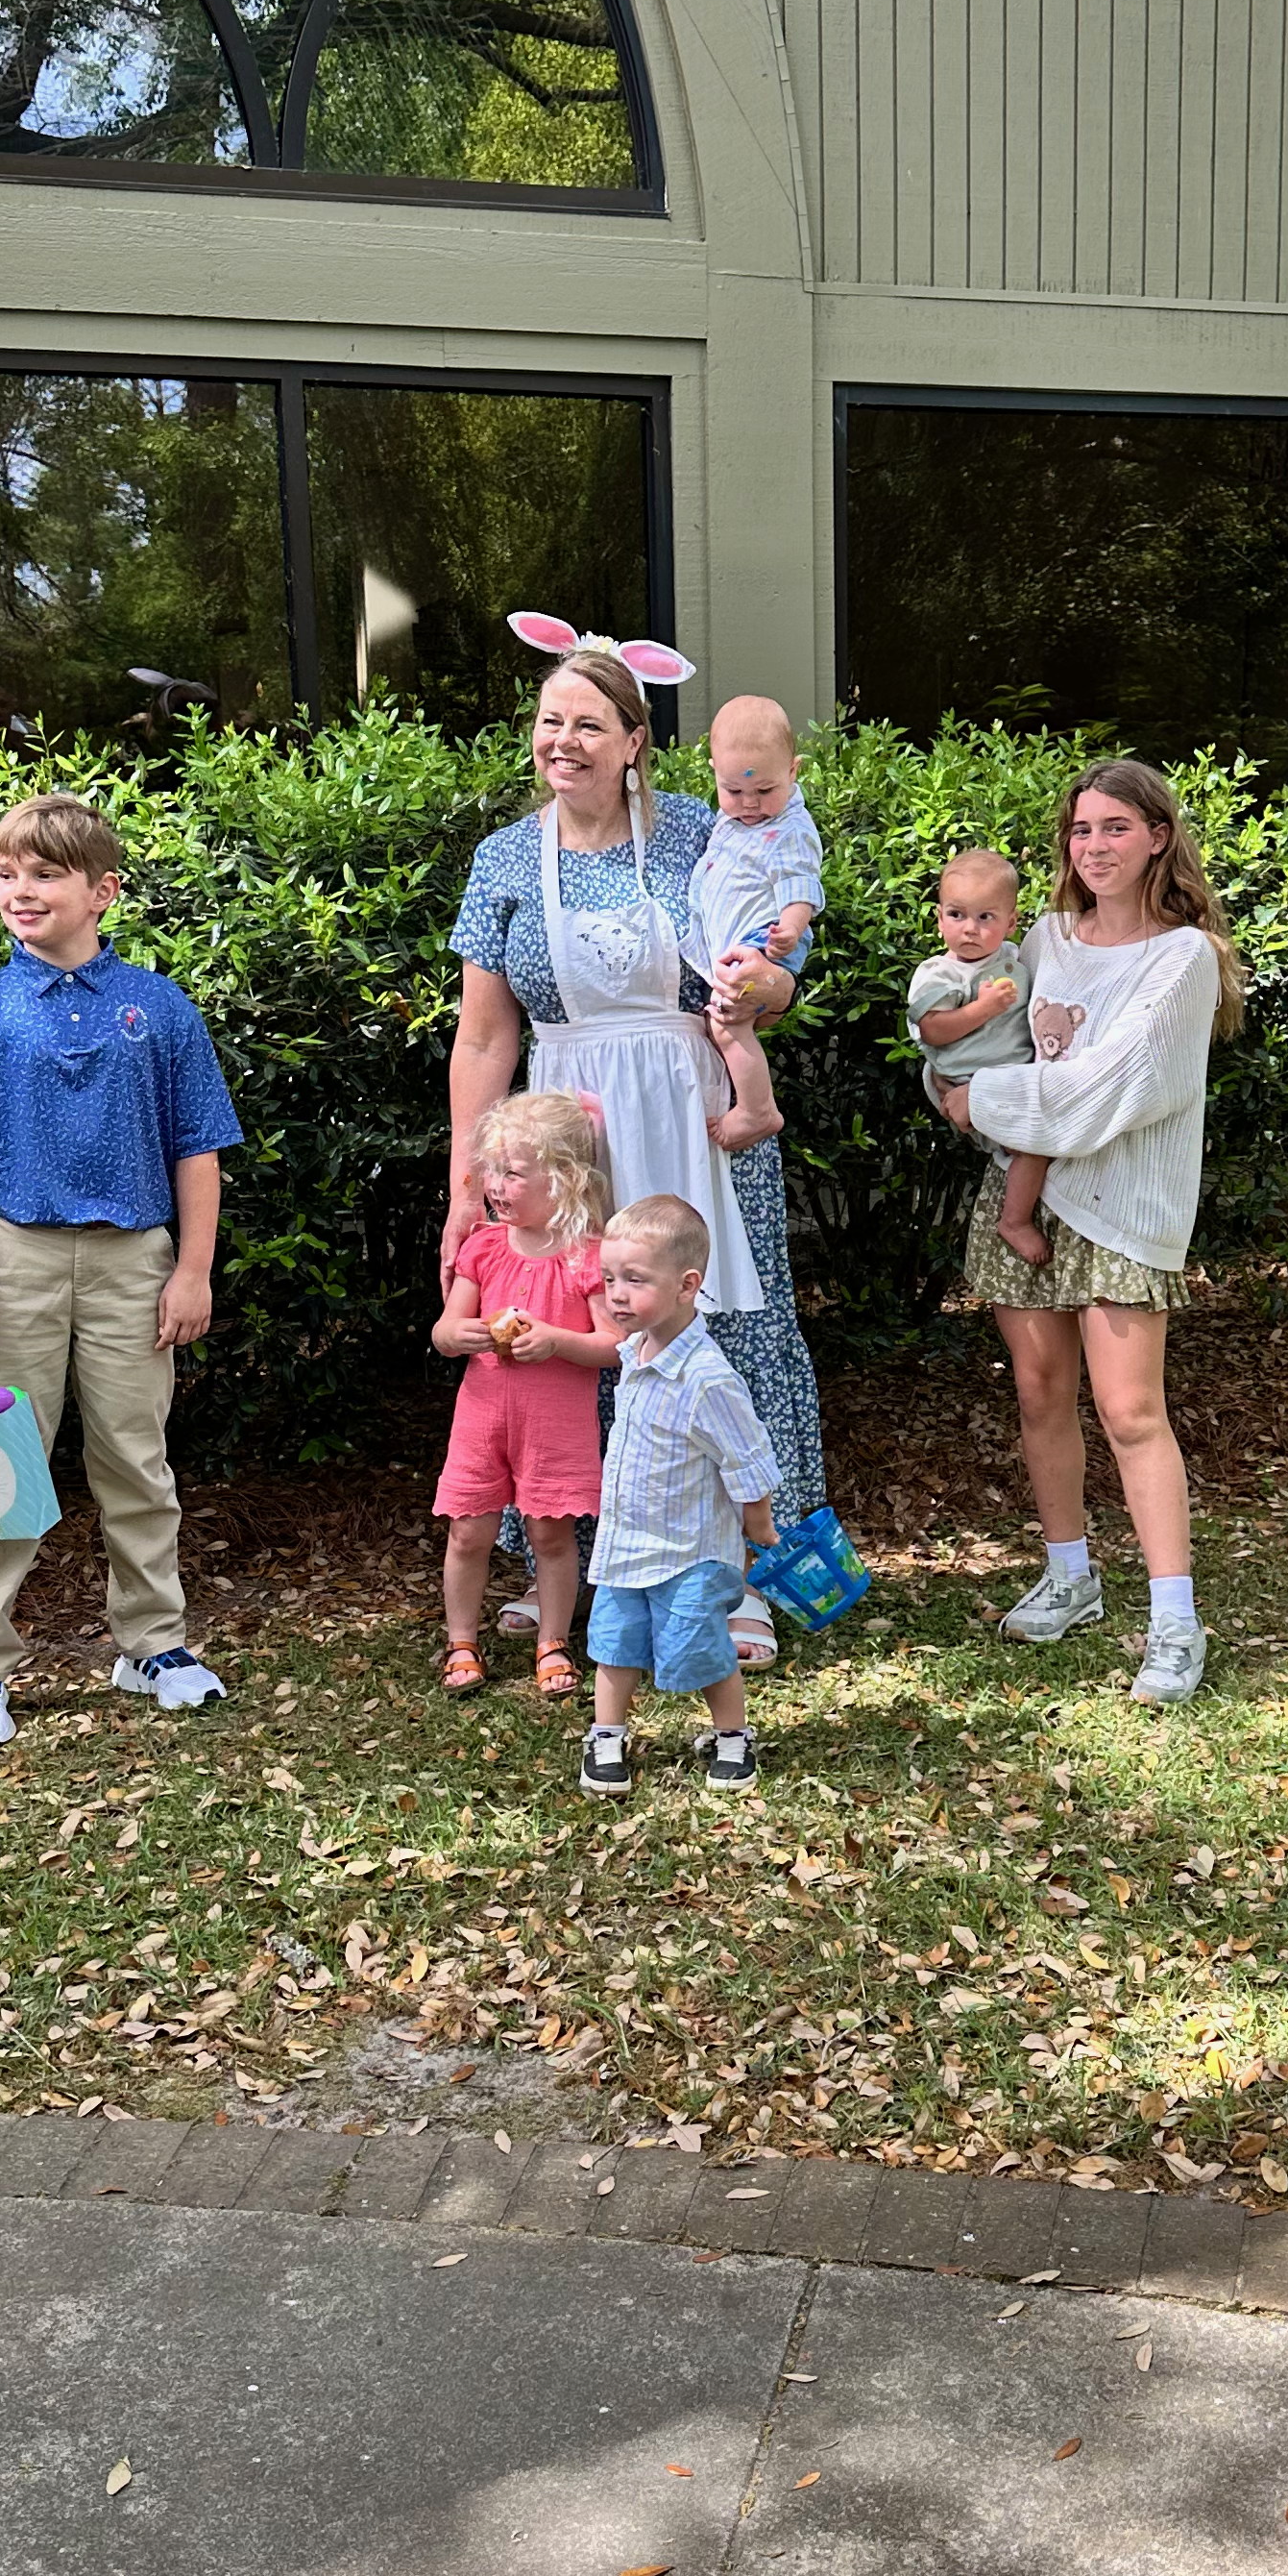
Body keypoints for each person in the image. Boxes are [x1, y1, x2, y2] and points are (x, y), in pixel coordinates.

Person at [445, 623, 828, 1671]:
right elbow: (484, 1037)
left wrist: (767, 987)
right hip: (567, 1131)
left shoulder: (703, 832)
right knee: (570, 1336)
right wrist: (463, 1190)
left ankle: (737, 1576)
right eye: (548, 722)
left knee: (721, 1329)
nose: (562, 741)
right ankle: (576, 1558)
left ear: (633, 741)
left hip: (693, 1107)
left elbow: (777, 978)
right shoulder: (506, 859)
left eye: (587, 724)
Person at [0, 788, 242, 1746]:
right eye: (6, 874)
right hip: (11, 1261)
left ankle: (152, 1646)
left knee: (136, 1457)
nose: (19, 890)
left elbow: (198, 1152)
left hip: (136, 1260)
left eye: (44, 874)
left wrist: (192, 1272)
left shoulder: (159, 1007)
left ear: (104, 891)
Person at [928, 757, 1242, 1707]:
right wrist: (953, 1076)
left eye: (1116, 827)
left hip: (1122, 1210)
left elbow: (1110, 1091)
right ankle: (1070, 1577)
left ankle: (1175, 1625)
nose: (1095, 846)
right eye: (1081, 830)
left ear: (1158, 837)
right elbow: (972, 1027)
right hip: (1027, 1194)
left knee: (1132, 1412)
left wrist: (979, 1102)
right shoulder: (1048, 941)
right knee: (1039, 1393)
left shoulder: (1183, 959)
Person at [580, 1194, 779, 1798]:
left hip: (690, 1551)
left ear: (687, 1285)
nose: (616, 1294)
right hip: (626, 1546)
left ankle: (732, 1739)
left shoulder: (707, 1379)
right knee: (614, 1646)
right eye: (610, 1278)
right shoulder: (635, 1353)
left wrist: (761, 1527)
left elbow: (747, 1458)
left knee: (704, 1648)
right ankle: (607, 1737)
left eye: (634, 1280)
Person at [430, 1091, 619, 1700]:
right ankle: (462, 1640)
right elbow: (445, 1332)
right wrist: (459, 1334)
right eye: (491, 1170)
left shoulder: (584, 1257)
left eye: (512, 1172)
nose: (495, 1185)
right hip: (483, 1422)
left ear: (562, 1182)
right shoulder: (483, 1248)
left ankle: (553, 1640)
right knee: (467, 1533)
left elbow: (614, 1345)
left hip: (555, 1427)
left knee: (551, 1537)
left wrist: (557, 1341)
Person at [684, 692, 824, 1146]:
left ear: (793, 771)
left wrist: (791, 928)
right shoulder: (732, 819)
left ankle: (757, 1110)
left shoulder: (790, 828)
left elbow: (800, 882)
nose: (749, 803)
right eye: (733, 790)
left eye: (764, 790)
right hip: (744, 937)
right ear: (714, 773)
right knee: (720, 1022)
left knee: (727, 1023)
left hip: (766, 935)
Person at [908, 845, 1054, 1268]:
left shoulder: (1012, 958)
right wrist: (981, 1009)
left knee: (1036, 1144)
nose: (969, 928)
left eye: (985, 917)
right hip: (965, 1082)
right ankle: (1014, 1221)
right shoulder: (941, 974)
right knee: (1034, 1146)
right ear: (939, 920)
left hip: (1008, 1078)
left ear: (1011, 922)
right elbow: (933, 1029)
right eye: (957, 915)